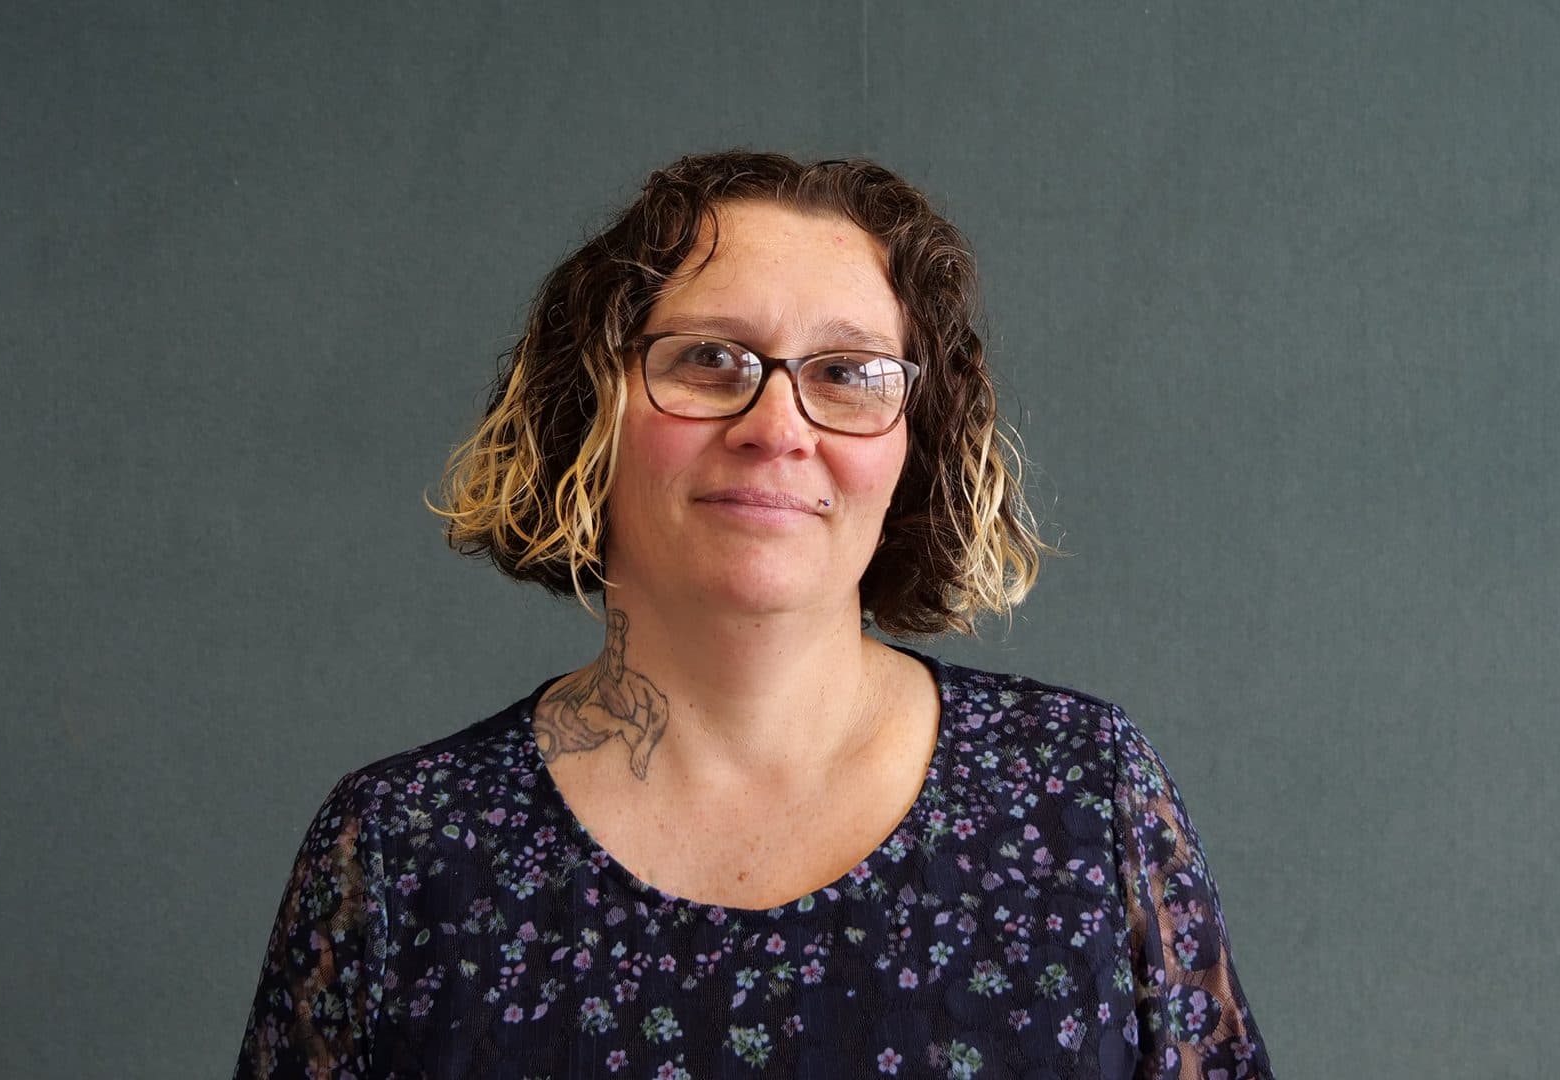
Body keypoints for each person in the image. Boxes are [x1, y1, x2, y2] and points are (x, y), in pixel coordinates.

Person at [234, 152, 1275, 1079]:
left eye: (847, 373)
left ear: (916, 443)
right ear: (588, 410)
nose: (777, 426)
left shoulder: (1083, 797)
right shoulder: (405, 851)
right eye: (710, 360)